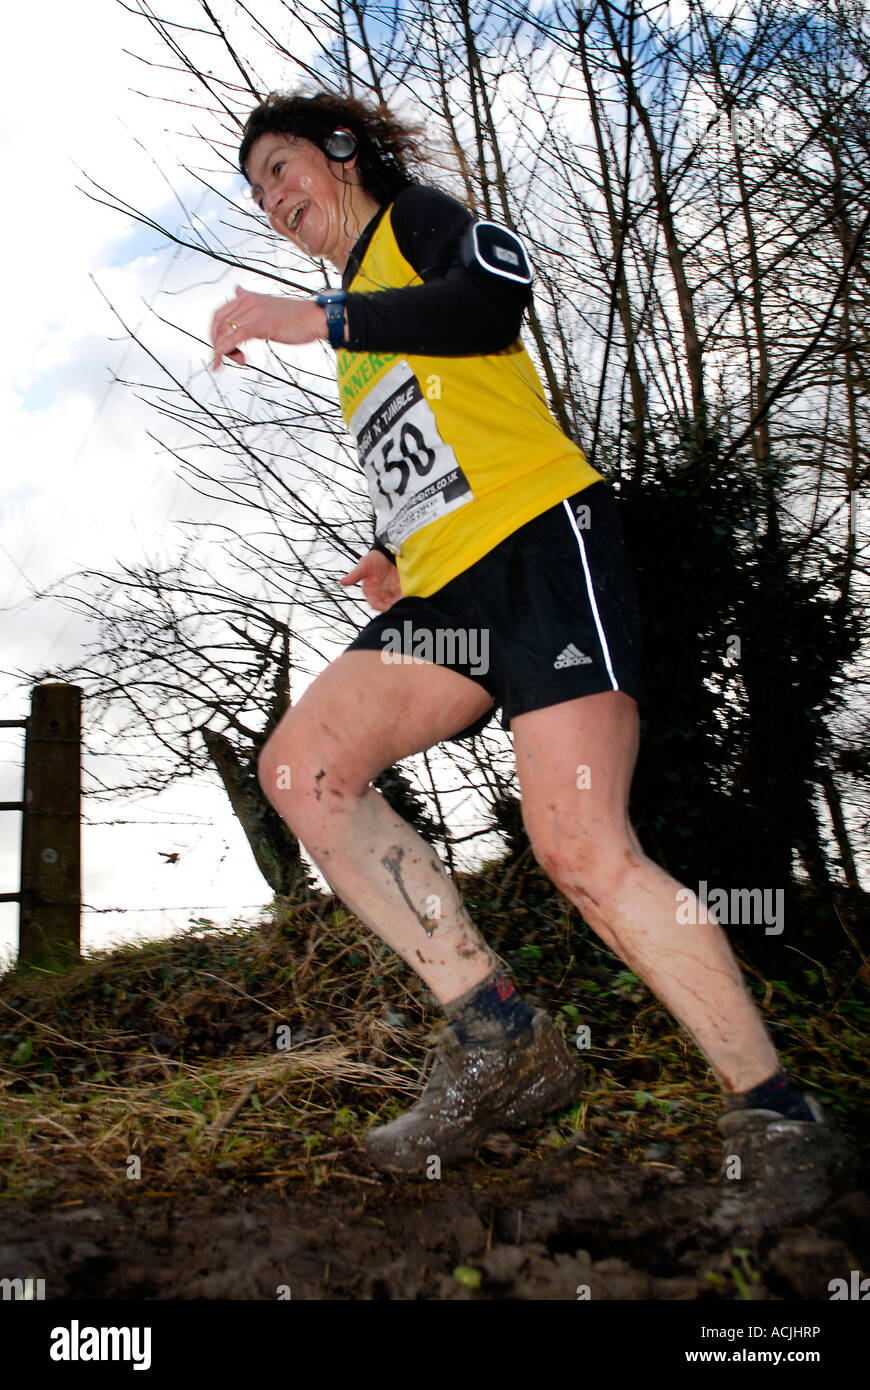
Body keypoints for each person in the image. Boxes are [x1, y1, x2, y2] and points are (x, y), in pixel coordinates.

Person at [209, 90, 847, 1224]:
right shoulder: (361, 315)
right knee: (303, 770)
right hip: (448, 588)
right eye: (256, 188)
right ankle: (498, 1032)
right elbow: (443, 435)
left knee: (584, 852)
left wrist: (318, 317)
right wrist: (392, 549)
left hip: (548, 552)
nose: (273, 196)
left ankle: (780, 1115)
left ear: (344, 153)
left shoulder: (414, 225)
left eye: (284, 165)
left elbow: (494, 302)